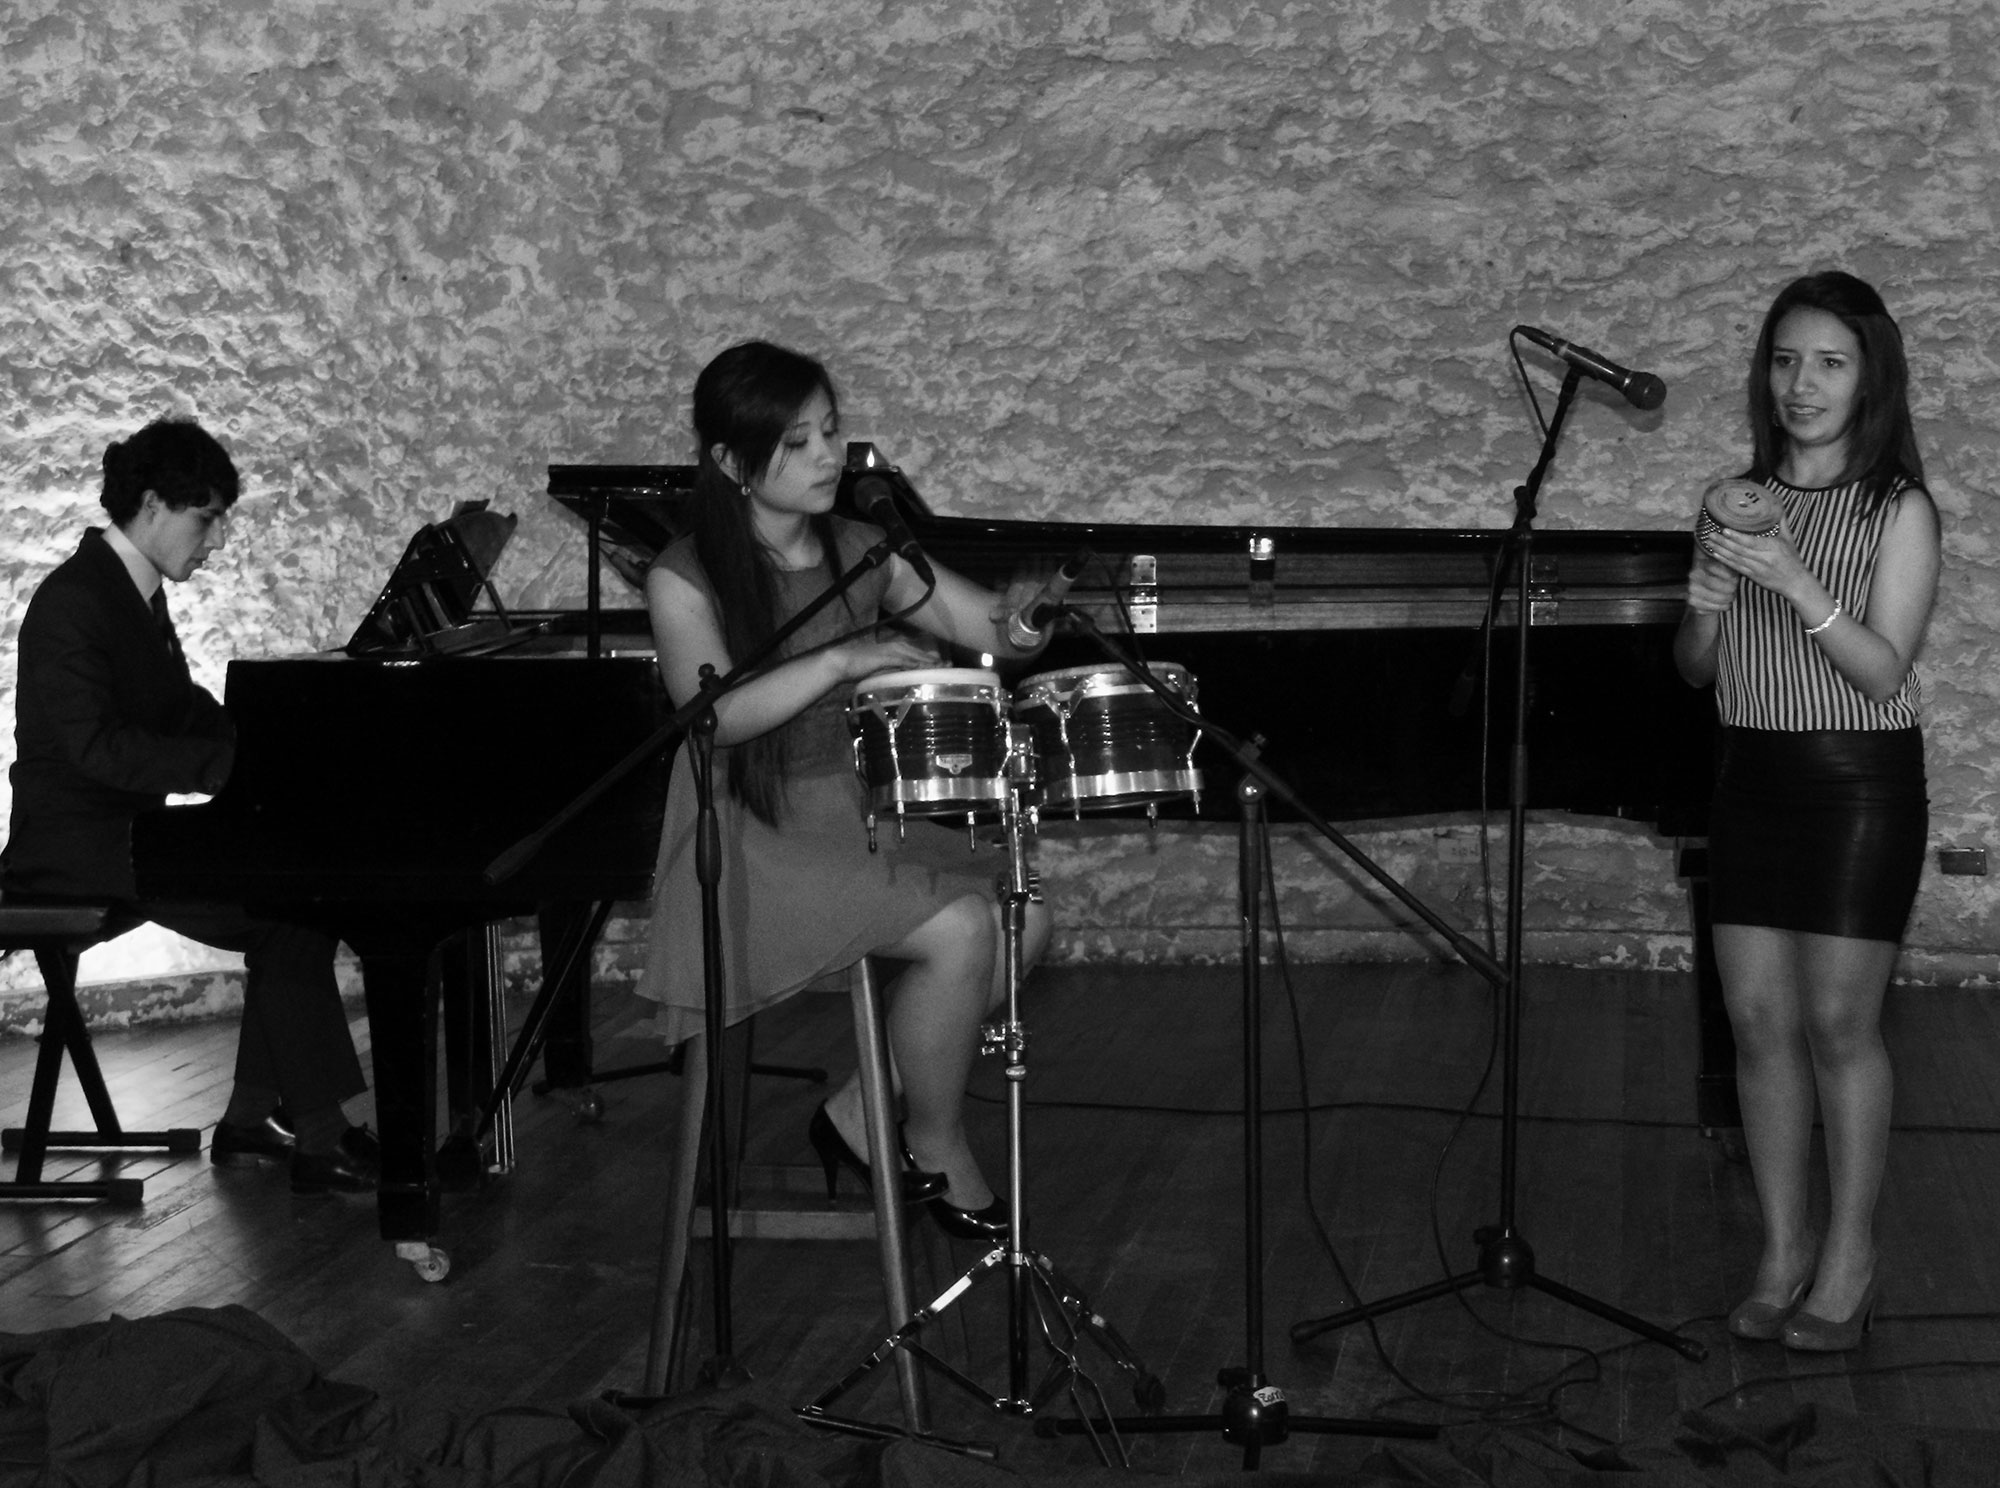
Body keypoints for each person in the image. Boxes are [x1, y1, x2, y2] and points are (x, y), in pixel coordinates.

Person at [634, 341, 1054, 1239]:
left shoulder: (865, 548)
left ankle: (863, 1111)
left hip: (850, 810)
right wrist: (838, 660)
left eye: (831, 430)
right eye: (798, 442)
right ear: (730, 462)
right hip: (746, 826)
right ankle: (933, 1142)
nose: (830, 455)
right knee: (964, 929)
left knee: (1028, 920)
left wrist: (1027, 616)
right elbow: (716, 716)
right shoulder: (684, 573)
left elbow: (990, 628)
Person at [2, 417, 379, 1195]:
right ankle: (315, 1132)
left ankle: (255, 1120)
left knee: (295, 902)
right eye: (206, 518)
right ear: (152, 504)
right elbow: (96, 749)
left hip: (125, 836)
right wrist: (227, 767)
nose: (216, 541)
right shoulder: (75, 600)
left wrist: (270, 748)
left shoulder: (128, 594)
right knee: (288, 909)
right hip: (71, 851)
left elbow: (181, 710)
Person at [1673, 272, 1939, 1351]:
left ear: (1869, 378)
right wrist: (1701, 608)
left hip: (1858, 783)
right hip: (1750, 775)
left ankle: (1850, 1257)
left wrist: (1793, 582)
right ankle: (1782, 1251)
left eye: (1829, 362)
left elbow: (1881, 670)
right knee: (1756, 1022)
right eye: (1785, 360)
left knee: (1837, 1023)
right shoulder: (1732, 501)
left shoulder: (1896, 508)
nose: (1802, 383)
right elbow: (1697, 671)